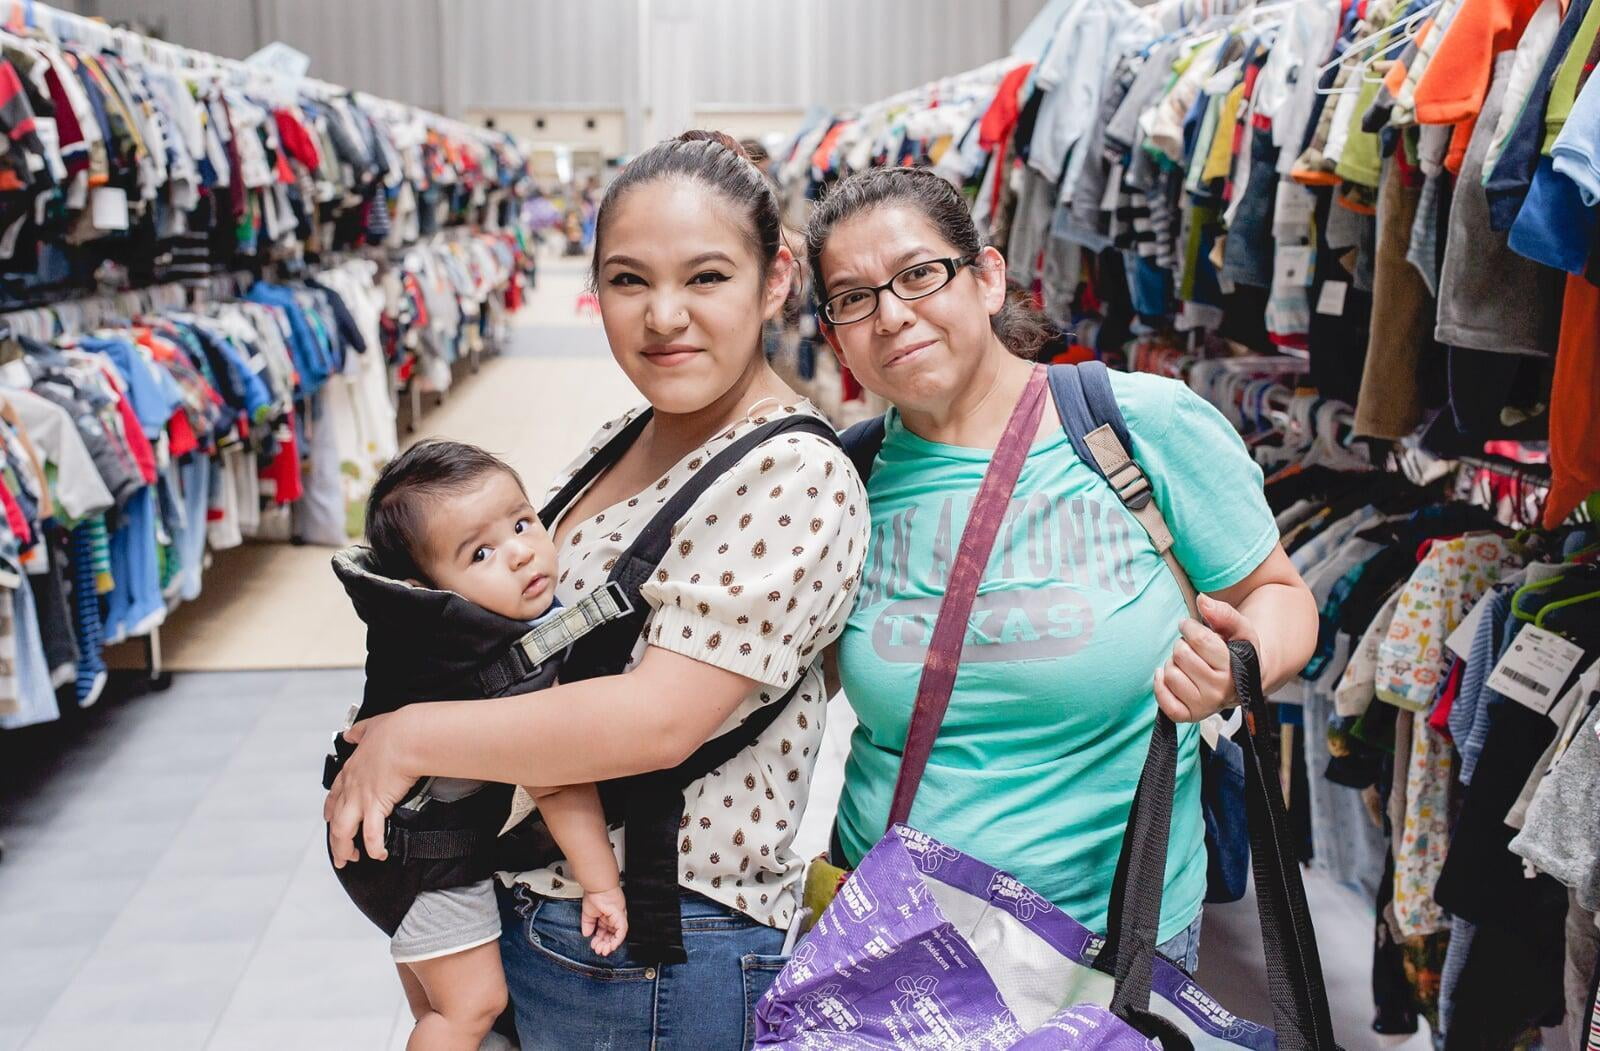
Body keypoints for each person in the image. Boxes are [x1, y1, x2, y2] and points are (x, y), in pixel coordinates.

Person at [324, 131, 869, 1050]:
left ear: (775, 280)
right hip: (549, 917)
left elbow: (658, 719)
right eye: (627, 280)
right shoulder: (632, 432)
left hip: (661, 944)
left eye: (705, 278)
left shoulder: (793, 472)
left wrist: (413, 736)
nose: (663, 316)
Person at [806, 166, 1319, 970]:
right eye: (853, 297)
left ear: (986, 277)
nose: (892, 314)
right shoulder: (846, 480)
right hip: (897, 938)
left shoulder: (1136, 426)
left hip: (1113, 941)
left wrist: (1237, 666)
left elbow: (1279, 594)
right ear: (834, 335)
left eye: (918, 275)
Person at [333, 439, 627, 1051]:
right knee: (474, 1007)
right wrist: (600, 882)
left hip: (395, 846)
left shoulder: (426, 630)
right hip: (427, 861)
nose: (522, 553)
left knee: (441, 1011)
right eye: (482, 553)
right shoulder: (498, 658)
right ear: (428, 585)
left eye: (522, 523)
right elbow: (555, 774)